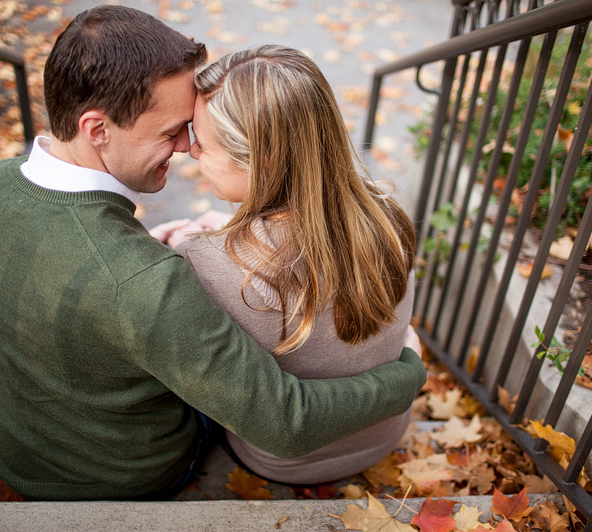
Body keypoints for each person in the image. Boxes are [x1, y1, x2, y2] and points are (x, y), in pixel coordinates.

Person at [0, 5, 426, 501]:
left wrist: (155, 258)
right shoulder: (148, 283)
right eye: (171, 130)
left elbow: (88, 277)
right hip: (122, 477)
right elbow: (285, 420)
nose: (186, 146)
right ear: (97, 130)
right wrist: (406, 375)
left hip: (16, 451)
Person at [160, 45, 417, 485]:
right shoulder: (387, 215)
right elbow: (305, 248)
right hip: (384, 436)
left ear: (261, 160)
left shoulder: (202, 263)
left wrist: (171, 247)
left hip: (281, 462)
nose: (190, 149)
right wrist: (226, 234)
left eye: (202, 141)